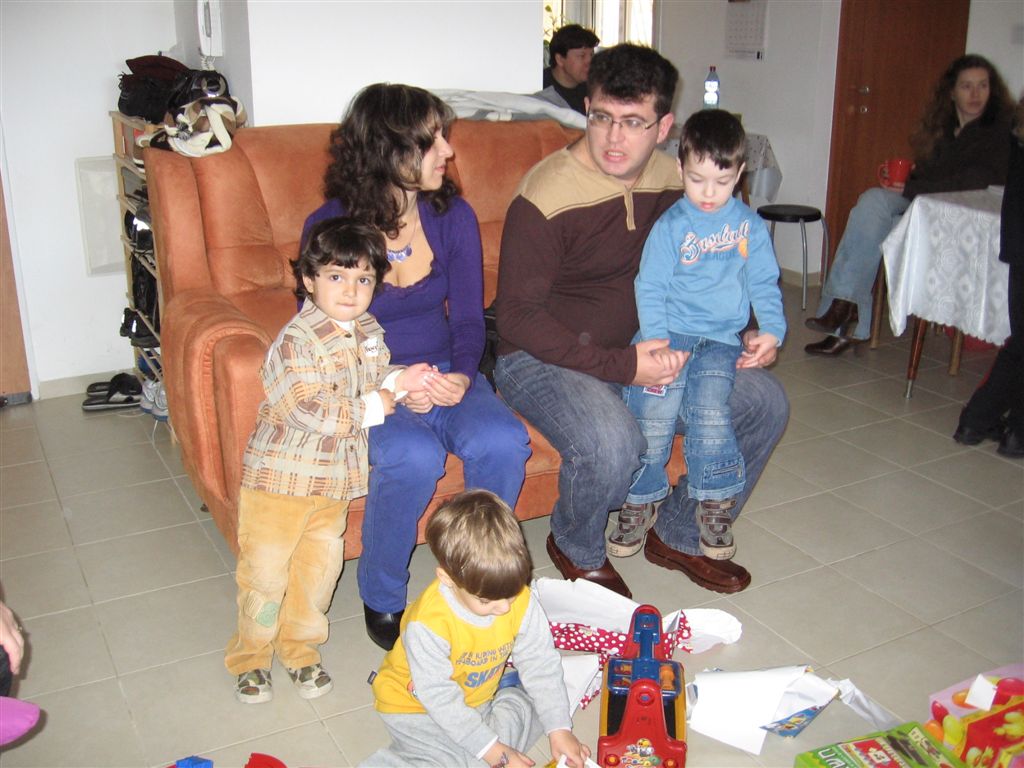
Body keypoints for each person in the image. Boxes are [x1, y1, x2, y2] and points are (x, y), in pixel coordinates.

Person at [495, 43, 789, 598]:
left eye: (633, 122)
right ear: (586, 108)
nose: (614, 138)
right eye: (602, 117)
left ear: (663, 127)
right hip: (543, 359)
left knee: (765, 403)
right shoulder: (545, 193)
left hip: (663, 346)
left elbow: (726, 258)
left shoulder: (683, 181)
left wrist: (751, 326)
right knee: (614, 441)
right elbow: (516, 317)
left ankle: (678, 534)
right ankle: (575, 544)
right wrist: (623, 366)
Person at [303, 84, 532, 652]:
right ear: (390, 149)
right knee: (412, 454)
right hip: (368, 381)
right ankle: (382, 591)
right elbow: (320, 337)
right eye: (432, 141)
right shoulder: (330, 225)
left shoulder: (453, 217)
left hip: (446, 369)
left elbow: (470, 318)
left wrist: (460, 375)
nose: (448, 151)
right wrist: (393, 385)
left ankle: (478, 577)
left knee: (503, 440)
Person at [225, 217, 431, 704]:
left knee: (317, 576)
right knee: (265, 577)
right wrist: (375, 406)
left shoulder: (368, 330)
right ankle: (251, 658)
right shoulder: (296, 341)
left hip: (332, 485)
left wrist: (401, 381)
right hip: (279, 485)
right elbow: (306, 409)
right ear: (309, 279)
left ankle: (300, 649)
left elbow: (376, 376)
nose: (351, 290)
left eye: (364, 279)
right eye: (336, 276)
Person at [615, 110, 786, 563]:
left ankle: (713, 502)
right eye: (697, 180)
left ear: (740, 173)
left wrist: (772, 330)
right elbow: (649, 286)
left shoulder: (749, 227)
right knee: (654, 411)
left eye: (721, 182)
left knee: (710, 410)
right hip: (669, 334)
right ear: (680, 169)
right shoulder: (671, 227)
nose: (708, 193)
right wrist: (656, 341)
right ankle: (640, 498)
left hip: (721, 341)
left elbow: (764, 282)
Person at [363, 490, 591, 768]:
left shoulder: (518, 597)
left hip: (477, 700)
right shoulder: (428, 624)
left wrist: (559, 728)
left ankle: (511, 705)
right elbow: (439, 698)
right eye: (486, 601)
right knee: (460, 759)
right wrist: (494, 752)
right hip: (414, 708)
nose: (504, 608)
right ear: (447, 579)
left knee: (490, 749)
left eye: (511, 594)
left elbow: (540, 661)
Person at [806, 54, 1015, 356]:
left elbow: (974, 181)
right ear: (951, 92)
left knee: (877, 229)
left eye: (982, 85)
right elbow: (931, 174)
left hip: (955, 221)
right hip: (923, 206)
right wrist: (905, 179)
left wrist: (911, 186)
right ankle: (844, 309)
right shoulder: (942, 128)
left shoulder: (998, 132)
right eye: (967, 86)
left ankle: (845, 315)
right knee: (872, 203)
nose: (975, 94)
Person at [954, 97, 1024, 458]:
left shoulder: (1019, 121)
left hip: (1018, 243)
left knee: (1020, 342)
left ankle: (978, 421)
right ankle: (1012, 432)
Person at [537, 24, 599, 115]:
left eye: (591, 55)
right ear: (560, 59)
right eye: (582, 56)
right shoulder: (540, 87)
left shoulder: (594, 89)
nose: (589, 61)